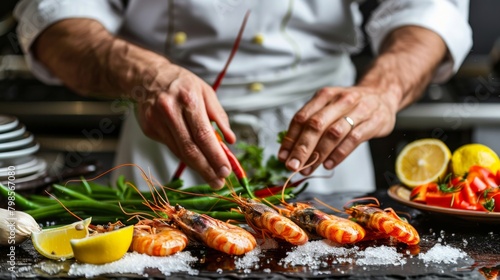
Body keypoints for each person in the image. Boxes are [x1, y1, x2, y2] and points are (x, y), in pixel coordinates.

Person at [14, 0, 472, 193]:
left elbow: (428, 8)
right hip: (165, 126)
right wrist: (145, 75)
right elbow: (54, 17)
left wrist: (381, 91)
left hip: (331, 135)